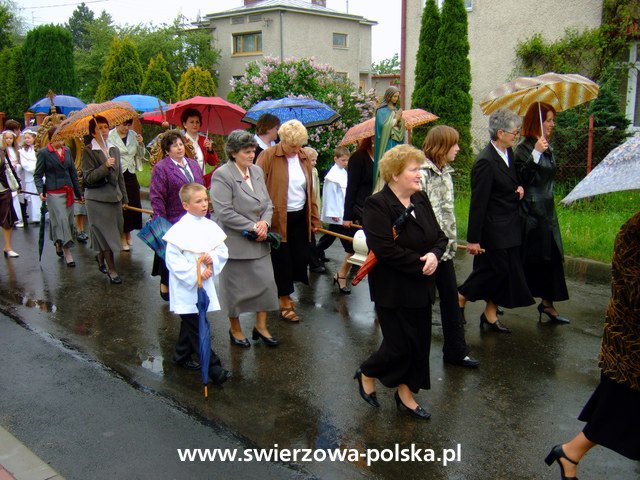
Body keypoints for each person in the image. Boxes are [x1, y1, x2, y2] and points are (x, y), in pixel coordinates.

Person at [545, 211, 640, 479]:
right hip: (631, 345)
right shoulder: (633, 231)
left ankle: (570, 453)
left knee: (618, 408)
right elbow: (633, 291)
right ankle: (570, 452)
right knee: (619, 405)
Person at [355, 144, 447, 420]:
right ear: (395, 175)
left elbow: (440, 237)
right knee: (398, 346)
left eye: (419, 168)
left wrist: (434, 255)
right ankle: (368, 371)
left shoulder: (421, 199)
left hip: (422, 286)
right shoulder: (377, 205)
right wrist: (423, 264)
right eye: (414, 169)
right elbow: (385, 250)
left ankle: (406, 396)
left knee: (419, 345)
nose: (420, 174)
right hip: (392, 288)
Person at [458, 109, 534, 333]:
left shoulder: (508, 153)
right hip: (493, 228)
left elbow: (509, 182)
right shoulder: (485, 161)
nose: (517, 136)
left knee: (509, 272)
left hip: (510, 225)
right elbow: (479, 203)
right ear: (500, 133)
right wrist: (473, 239)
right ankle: (461, 295)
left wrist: (517, 188)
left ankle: (490, 314)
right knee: (495, 270)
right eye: (514, 132)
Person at [211, 130, 279, 348]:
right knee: (236, 291)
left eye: (253, 150)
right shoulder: (223, 175)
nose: (252, 155)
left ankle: (261, 326)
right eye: (246, 151)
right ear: (232, 153)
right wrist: (252, 226)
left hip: (260, 241)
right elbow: (224, 212)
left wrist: (265, 223)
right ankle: (236, 329)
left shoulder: (257, 171)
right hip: (236, 244)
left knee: (267, 284)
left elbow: (268, 203)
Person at [420, 126, 479, 368]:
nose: (458, 148)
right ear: (442, 146)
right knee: (422, 305)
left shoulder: (446, 173)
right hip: (426, 252)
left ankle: (455, 351)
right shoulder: (421, 174)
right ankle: (413, 357)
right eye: (454, 144)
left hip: (445, 252)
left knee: (450, 301)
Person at [163, 182, 231, 385]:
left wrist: (212, 259)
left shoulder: (210, 226)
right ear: (185, 205)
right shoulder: (178, 231)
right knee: (199, 326)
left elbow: (222, 251)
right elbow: (173, 262)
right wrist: (197, 275)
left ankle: (180, 356)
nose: (204, 204)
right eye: (198, 201)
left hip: (205, 284)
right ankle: (214, 368)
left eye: (205, 199)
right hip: (187, 287)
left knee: (191, 323)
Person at [256, 120, 321, 323]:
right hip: (277, 218)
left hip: (299, 215)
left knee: (299, 257)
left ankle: (283, 291)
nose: (296, 149)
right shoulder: (268, 155)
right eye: (292, 145)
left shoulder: (303, 157)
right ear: (281, 140)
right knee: (282, 260)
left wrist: (313, 217)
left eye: (299, 145)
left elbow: (309, 190)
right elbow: (256, 188)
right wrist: (259, 218)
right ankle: (284, 300)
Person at [514, 102, 570, 324]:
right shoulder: (524, 149)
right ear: (536, 121)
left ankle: (547, 304)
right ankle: (494, 300)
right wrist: (535, 154)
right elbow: (523, 178)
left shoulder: (547, 146)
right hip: (530, 213)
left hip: (547, 211)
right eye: (548, 120)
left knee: (552, 257)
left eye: (552, 120)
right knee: (525, 259)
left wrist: (542, 150)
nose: (552, 124)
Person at [150, 131, 205, 301]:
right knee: (171, 253)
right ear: (167, 150)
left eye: (181, 144)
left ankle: (192, 282)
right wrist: (162, 223)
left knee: (192, 254)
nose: (179, 148)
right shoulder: (162, 168)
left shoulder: (193, 164)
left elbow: (201, 189)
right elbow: (157, 196)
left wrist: (205, 213)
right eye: (175, 145)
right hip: (174, 218)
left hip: (195, 218)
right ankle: (166, 282)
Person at [82, 116, 128, 283]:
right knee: (105, 236)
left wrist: (124, 197)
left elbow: (120, 176)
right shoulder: (88, 151)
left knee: (114, 233)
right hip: (97, 201)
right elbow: (88, 177)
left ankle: (100, 257)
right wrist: (104, 166)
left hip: (114, 199)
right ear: (93, 132)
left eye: (106, 127)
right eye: (99, 128)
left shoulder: (114, 149)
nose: (103, 131)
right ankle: (112, 269)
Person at [34, 126, 82, 266]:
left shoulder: (67, 151)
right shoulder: (44, 153)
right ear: (50, 139)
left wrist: (79, 194)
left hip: (68, 192)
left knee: (68, 221)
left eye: (62, 139)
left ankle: (58, 242)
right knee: (61, 220)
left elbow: (73, 172)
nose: (60, 142)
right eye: (57, 139)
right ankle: (67, 251)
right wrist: (40, 191)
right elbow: (37, 175)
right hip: (53, 192)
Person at [314, 146, 353, 293]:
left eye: (347, 160)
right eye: (343, 160)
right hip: (338, 213)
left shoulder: (343, 172)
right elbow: (330, 196)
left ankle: (315, 252)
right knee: (346, 242)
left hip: (343, 212)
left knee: (330, 236)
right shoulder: (331, 176)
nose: (345, 163)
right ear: (335, 159)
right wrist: (333, 213)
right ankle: (316, 253)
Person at [108, 118, 145, 251]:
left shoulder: (134, 135)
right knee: (122, 205)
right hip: (118, 173)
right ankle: (122, 236)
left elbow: (141, 155)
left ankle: (128, 232)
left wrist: (141, 144)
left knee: (133, 203)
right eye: (124, 125)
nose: (126, 128)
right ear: (118, 123)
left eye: (129, 125)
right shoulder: (110, 136)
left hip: (130, 172)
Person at [373, 86, 405, 191]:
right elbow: (384, 127)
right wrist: (396, 119)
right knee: (387, 165)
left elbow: (399, 130)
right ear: (389, 96)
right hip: (385, 144)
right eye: (394, 96)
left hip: (395, 142)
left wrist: (400, 122)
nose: (396, 99)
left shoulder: (395, 110)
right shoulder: (381, 111)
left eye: (397, 97)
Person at [181, 108, 219, 188]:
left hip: (201, 181)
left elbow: (213, 162)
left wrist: (210, 150)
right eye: (191, 122)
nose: (195, 125)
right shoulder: (181, 141)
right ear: (185, 124)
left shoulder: (204, 140)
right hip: (185, 181)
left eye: (197, 122)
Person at [343, 136, 374, 229]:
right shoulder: (358, 157)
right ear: (372, 139)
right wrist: (347, 216)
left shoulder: (383, 157)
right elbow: (351, 187)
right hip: (361, 208)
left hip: (376, 207)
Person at [305, 146, 326, 274]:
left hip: (313, 207)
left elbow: (315, 193)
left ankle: (317, 257)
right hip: (307, 211)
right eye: (313, 160)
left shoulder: (314, 172)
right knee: (310, 238)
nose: (315, 163)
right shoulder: (308, 172)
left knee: (311, 237)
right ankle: (314, 262)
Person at [0, 140, 21, 257]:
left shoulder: (2, 151)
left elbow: (10, 169)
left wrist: (18, 184)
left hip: (3, 189)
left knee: (7, 219)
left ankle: (8, 247)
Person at [18, 129, 42, 224]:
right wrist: (36, 171)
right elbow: (25, 164)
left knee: (40, 195)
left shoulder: (38, 149)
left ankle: (42, 214)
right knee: (34, 197)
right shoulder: (23, 151)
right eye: (26, 138)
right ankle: (36, 216)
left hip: (41, 176)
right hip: (31, 176)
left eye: (29, 137)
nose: (27, 140)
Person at [2, 130, 23, 228]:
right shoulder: (3, 151)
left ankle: (17, 218)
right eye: (7, 138)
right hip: (5, 178)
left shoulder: (16, 150)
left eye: (11, 138)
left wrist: (17, 166)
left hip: (13, 176)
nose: (9, 140)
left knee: (15, 198)